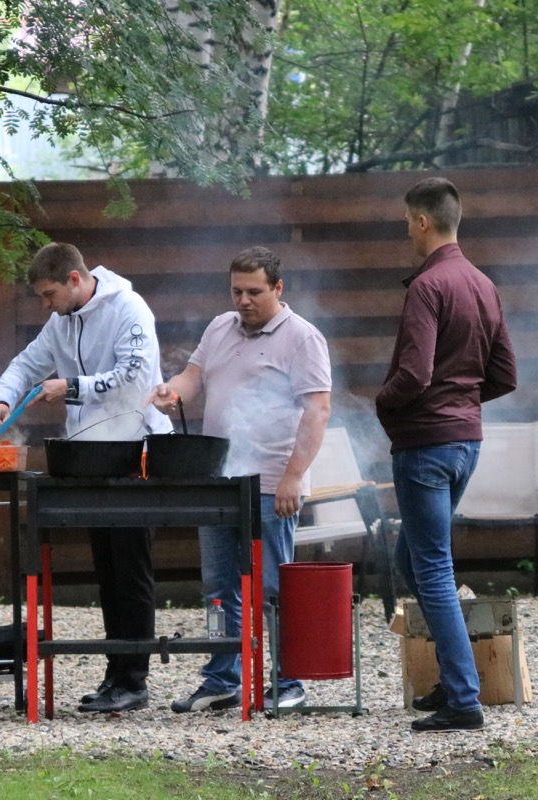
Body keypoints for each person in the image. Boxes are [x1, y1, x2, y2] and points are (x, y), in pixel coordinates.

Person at [0, 242, 172, 714]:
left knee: (130, 570)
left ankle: (133, 679)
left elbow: (134, 380)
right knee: (108, 570)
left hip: (136, 452)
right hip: (92, 455)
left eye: (49, 294)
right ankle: (117, 674)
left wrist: (70, 387)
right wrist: (1, 398)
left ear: (74, 279)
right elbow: (26, 364)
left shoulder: (129, 308)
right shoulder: (60, 322)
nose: (45, 305)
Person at [148, 246, 331, 713]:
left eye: (254, 292)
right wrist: (171, 391)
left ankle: (288, 681)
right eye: (236, 292)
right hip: (217, 479)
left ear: (277, 288)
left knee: (272, 588)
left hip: (271, 483)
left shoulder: (303, 338)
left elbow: (318, 410)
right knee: (216, 589)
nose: (243, 301)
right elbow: (193, 376)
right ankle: (221, 679)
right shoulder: (219, 327)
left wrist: (294, 477)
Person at [376, 177, 517, 733]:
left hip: (427, 445)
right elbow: (504, 375)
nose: (407, 231)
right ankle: (453, 679)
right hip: (465, 443)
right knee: (411, 561)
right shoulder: (483, 284)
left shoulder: (427, 286)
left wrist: (383, 403)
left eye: (407, 222)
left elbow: (414, 374)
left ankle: (463, 698)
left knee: (431, 567)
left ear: (422, 221)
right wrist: (460, 404)